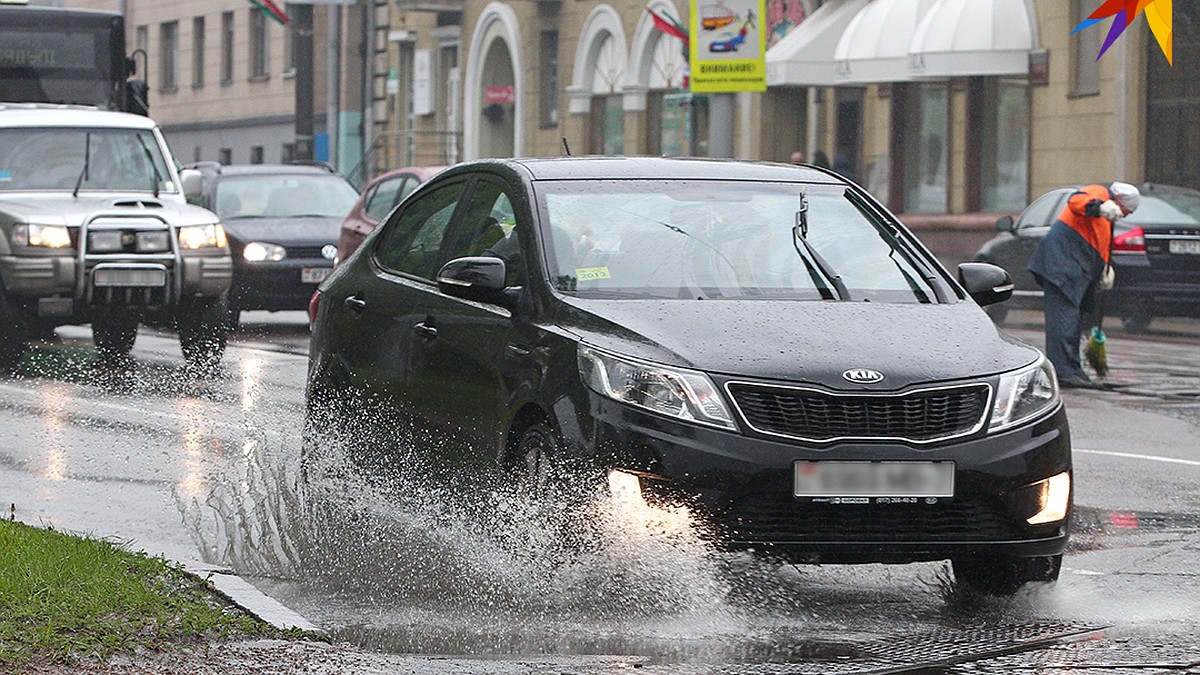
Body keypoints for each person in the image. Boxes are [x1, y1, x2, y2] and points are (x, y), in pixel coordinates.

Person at [1028, 181, 1140, 388]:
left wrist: (1105, 269)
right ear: (1120, 201)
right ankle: (1062, 371)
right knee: (1064, 319)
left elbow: (1098, 242)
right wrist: (1100, 205)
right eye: (1128, 210)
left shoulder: (1108, 219)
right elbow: (1076, 200)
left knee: (1074, 320)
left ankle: (1073, 369)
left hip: (1074, 269)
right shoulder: (1099, 193)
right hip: (1061, 265)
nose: (1127, 215)